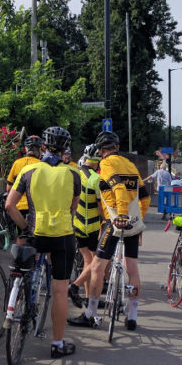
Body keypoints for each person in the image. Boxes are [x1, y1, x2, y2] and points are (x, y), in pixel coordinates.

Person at [5, 125, 80, 358]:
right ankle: (57, 344)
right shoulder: (73, 174)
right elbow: (73, 209)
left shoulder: (28, 170)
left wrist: (25, 227)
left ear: (43, 146)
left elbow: (9, 205)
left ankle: (22, 299)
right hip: (63, 236)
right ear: (65, 149)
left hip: (36, 233)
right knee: (60, 290)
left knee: (25, 271)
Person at [68, 131, 150, 331]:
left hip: (115, 221)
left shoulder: (106, 164)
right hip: (133, 224)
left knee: (97, 267)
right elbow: (145, 197)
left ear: (100, 151)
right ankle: (132, 316)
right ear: (117, 147)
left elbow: (118, 188)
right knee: (132, 268)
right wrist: (137, 219)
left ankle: (90, 314)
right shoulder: (130, 164)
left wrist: (121, 215)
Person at [69, 144, 104, 308]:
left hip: (77, 224)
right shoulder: (96, 179)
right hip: (92, 226)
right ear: (97, 161)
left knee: (87, 260)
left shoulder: (75, 174)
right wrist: (107, 219)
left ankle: (89, 298)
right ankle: (74, 286)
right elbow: (100, 207)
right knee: (97, 262)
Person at [6, 135, 43, 239]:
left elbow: (8, 187)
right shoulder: (42, 165)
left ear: (26, 149)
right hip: (36, 208)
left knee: (22, 237)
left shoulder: (17, 163)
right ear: (40, 150)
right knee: (38, 238)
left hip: (19, 208)